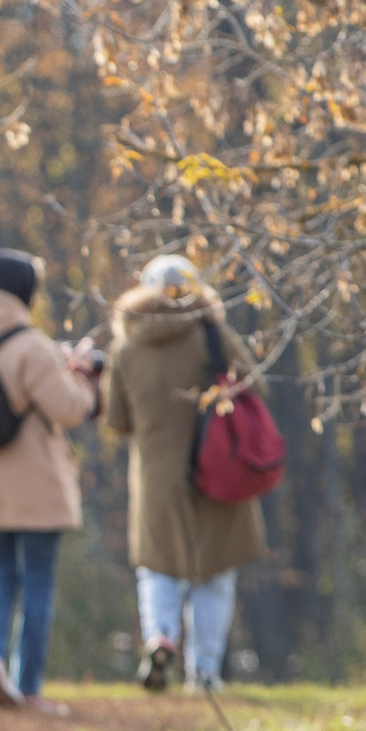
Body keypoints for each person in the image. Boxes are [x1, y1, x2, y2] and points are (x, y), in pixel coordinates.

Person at [0, 250, 103, 716]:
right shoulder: (31, 345)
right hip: (33, 485)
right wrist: (87, 379)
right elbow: (68, 409)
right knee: (37, 584)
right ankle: (29, 686)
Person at [106, 253, 268, 690]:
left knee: (158, 568)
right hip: (218, 468)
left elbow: (117, 420)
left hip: (156, 479)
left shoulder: (126, 345)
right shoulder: (210, 333)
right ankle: (205, 672)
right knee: (214, 574)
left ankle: (161, 637)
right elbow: (257, 386)